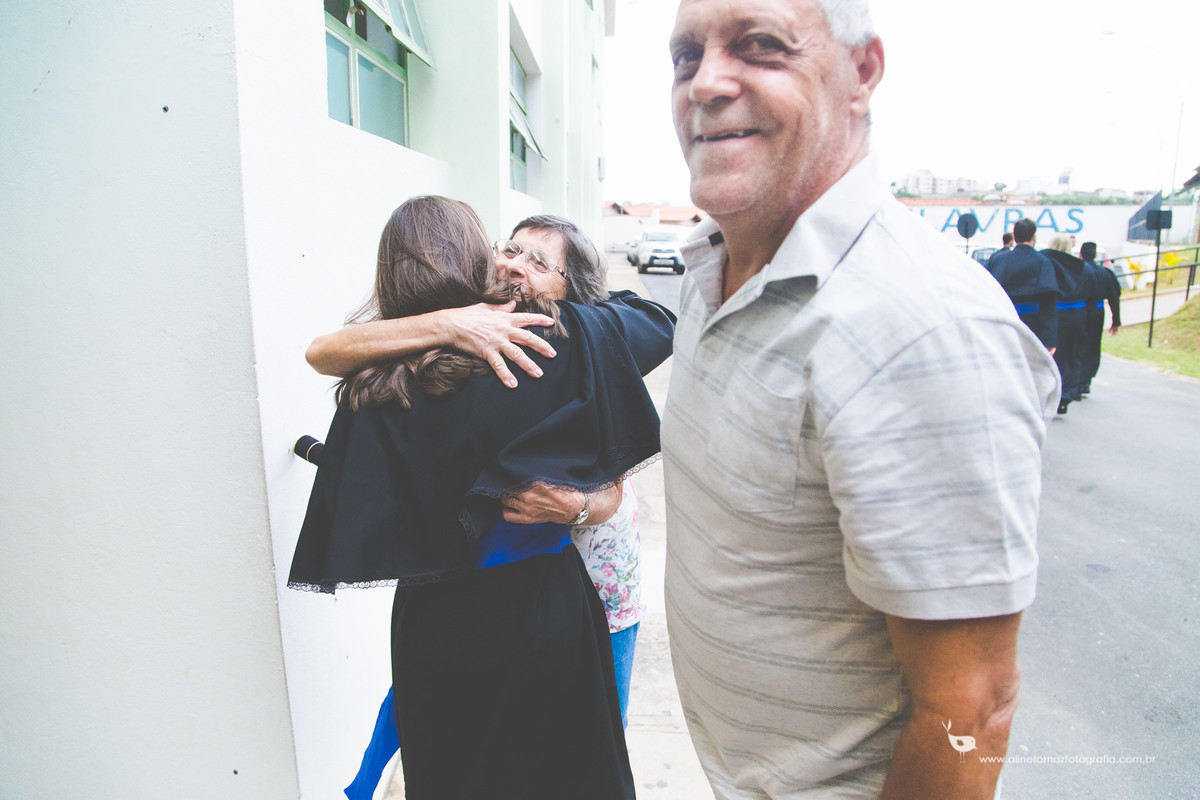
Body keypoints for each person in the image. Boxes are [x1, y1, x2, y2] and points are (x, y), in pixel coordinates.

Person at [661, 1, 1061, 798]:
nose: (706, 83)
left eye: (760, 47)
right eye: (685, 55)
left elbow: (972, 712)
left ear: (863, 72)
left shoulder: (915, 328)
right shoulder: (714, 266)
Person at [289, 196, 671, 799]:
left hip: (434, 618)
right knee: (567, 775)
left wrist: (444, 324)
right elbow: (654, 322)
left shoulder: (374, 384)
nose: (513, 262)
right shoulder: (549, 346)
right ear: (478, 260)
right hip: (540, 603)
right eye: (506, 250)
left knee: (452, 774)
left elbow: (321, 352)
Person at [989, 218, 1064, 353]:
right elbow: (1049, 304)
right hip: (1032, 327)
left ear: (1014, 236)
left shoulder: (999, 260)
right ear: (1034, 236)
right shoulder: (1043, 262)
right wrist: (1050, 339)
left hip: (1002, 324)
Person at [1043, 234, 1093, 414]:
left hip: (1052, 312)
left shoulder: (1045, 263)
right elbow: (1090, 293)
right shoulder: (1083, 268)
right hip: (1075, 315)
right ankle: (1066, 393)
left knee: (1049, 356)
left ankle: (1048, 393)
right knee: (1071, 356)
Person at [1079, 241, 1122, 394]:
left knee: (1078, 345)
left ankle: (1077, 380)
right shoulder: (1105, 273)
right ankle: (1086, 381)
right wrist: (1116, 320)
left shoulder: (1078, 271)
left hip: (1080, 310)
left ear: (1080, 254)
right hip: (1097, 312)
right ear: (1095, 254)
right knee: (1093, 345)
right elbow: (1114, 298)